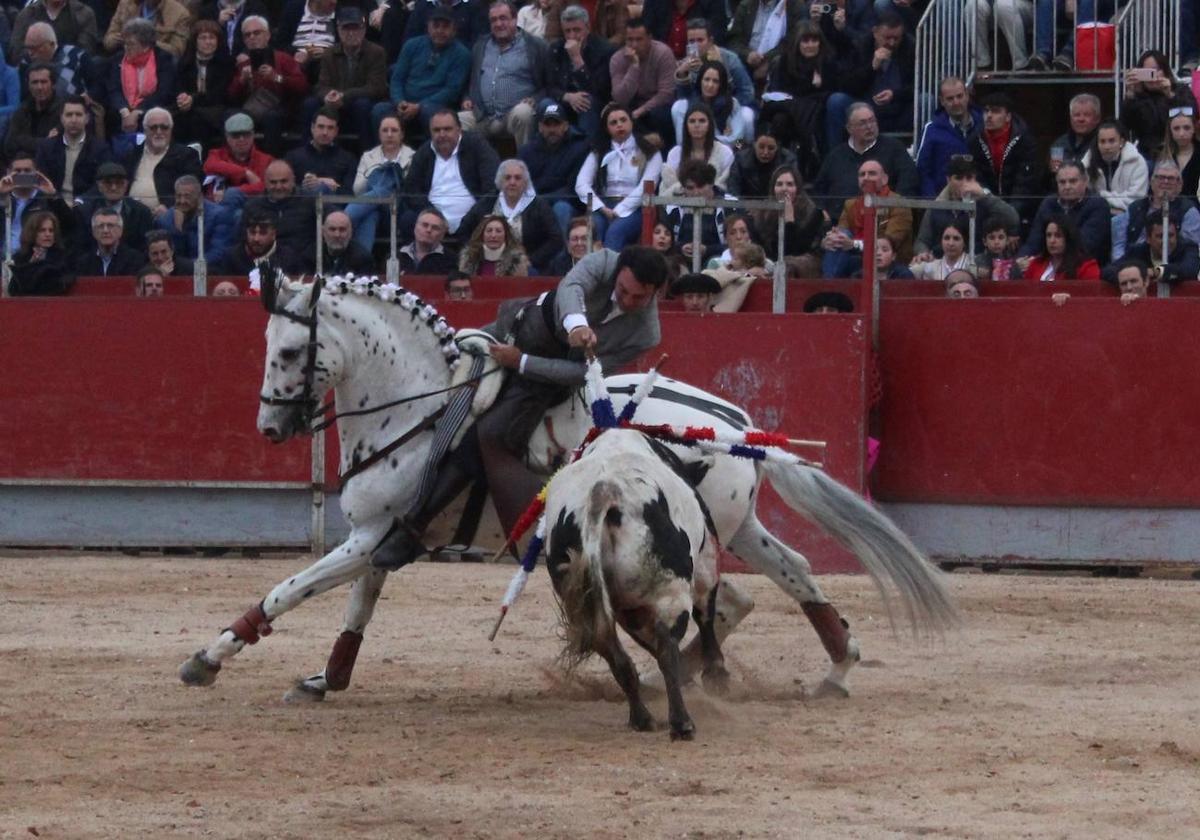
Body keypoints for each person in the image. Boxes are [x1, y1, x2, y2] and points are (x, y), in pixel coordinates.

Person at [370, 244, 669, 570]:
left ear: (655, 293)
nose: (627, 301)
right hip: (515, 328)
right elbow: (571, 287)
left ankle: (414, 528)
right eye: (623, 291)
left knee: (491, 433)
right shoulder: (605, 261)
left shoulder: (646, 333)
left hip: (543, 377)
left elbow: (582, 373)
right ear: (617, 275)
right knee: (443, 369)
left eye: (638, 298)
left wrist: (522, 362)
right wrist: (576, 324)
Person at [459, 0, 553, 148]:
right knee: (455, 121)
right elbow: (471, 80)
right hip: (482, 115)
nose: (498, 24)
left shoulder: (535, 46)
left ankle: (526, 165)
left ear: (515, 19)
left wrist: (536, 98)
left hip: (512, 116)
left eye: (503, 18)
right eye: (493, 20)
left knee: (523, 113)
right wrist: (467, 97)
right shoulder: (481, 45)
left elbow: (550, 84)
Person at [400, 108, 500, 240]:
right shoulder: (424, 153)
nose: (442, 134)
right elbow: (412, 190)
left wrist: (469, 219)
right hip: (433, 219)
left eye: (447, 129)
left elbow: (492, 188)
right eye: (436, 130)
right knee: (407, 220)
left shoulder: (477, 146)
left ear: (459, 130)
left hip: (472, 219)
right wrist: (434, 216)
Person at [576, 102, 663, 249]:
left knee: (615, 231)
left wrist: (620, 210)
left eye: (623, 120)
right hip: (604, 206)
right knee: (592, 231)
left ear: (631, 122)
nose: (619, 125)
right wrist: (601, 207)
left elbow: (647, 186)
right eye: (613, 122)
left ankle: (610, 272)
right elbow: (581, 184)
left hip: (636, 207)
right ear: (607, 128)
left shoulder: (649, 151)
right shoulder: (599, 151)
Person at [811, 101, 920, 218]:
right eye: (862, 123)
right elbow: (819, 190)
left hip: (882, 221)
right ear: (849, 128)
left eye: (872, 121)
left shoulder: (894, 149)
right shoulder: (835, 155)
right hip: (839, 222)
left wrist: (893, 209)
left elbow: (908, 183)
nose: (869, 127)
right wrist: (822, 209)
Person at [822, 11, 914, 147]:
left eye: (897, 38)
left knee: (926, 99)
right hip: (865, 107)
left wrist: (895, 94)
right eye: (887, 37)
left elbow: (918, 85)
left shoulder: (910, 47)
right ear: (875, 32)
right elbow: (846, 84)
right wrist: (872, 67)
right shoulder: (859, 46)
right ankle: (836, 156)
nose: (892, 43)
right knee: (836, 101)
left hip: (899, 109)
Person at [375, 7, 471, 137]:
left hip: (435, 105)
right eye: (436, 26)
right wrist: (399, 101)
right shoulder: (411, 45)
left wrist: (419, 106)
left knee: (432, 114)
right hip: (405, 102)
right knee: (380, 109)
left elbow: (451, 91)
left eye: (445, 27)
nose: (440, 31)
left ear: (454, 30)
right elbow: (397, 79)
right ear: (428, 27)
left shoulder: (462, 54)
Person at [459, 158, 563, 274]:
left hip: (526, 268)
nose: (512, 182)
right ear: (500, 181)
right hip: (488, 262)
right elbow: (463, 230)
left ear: (525, 182)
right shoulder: (488, 202)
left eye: (518, 178)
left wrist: (532, 259)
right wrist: (476, 254)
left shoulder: (538, 205)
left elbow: (556, 238)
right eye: (507, 178)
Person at [305, 6, 387, 150]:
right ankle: (307, 151)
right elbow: (321, 85)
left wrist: (344, 95)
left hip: (359, 105)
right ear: (338, 30)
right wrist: (327, 96)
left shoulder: (376, 52)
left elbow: (376, 87)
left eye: (355, 28)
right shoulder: (329, 54)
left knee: (362, 105)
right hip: (334, 106)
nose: (351, 33)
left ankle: (367, 153)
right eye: (346, 29)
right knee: (310, 104)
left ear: (363, 30)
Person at [760, 21, 836, 175]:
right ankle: (777, 167)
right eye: (805, 41)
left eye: (814, 41)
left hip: (816, 110)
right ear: (797, 43)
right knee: (780, 119)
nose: (810, 45)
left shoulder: (828, 62)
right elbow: (780, 93)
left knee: (811, 113)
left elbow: (832, 91)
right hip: (788, 109)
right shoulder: (784, 62)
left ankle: (810, 166)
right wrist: (812, 85)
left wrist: (819, 86)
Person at [228, 15, 308, 156]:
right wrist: (242, 80)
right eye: (247, 35)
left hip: (280, 109)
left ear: (268, 35)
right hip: (251, 109)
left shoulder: (283, 58)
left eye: (257, 33)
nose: (252, 37)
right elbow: (231, 95)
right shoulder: (242, 62)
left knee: (272, 118)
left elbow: (302, 86)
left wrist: (276, 77)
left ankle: (271, 162)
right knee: (232, 116)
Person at [912, 154, 1019, 258]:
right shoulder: (937, 205)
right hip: (940, 264)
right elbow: (922, 241)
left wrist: (984, 196)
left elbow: (1013, 219)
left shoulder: (985, 203)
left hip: (977, 262)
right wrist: (923, 253)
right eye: (958, 178)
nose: (964, 183)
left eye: (969, 178)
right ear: (948, 180)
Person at [822, 159, 912, 278]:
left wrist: (854, 244)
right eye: (862, 175)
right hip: (857, 258)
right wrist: (829, 240)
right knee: (839, 236)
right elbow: (842, 234)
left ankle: (828, 287)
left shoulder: (898, 203)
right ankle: (829, 286)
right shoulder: (850, 205)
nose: (866, 178)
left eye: (872, 174)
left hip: (889, 262)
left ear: (885, 179)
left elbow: (890, 243)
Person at [966, 91, 1042, 225]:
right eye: (986, 111)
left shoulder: (1025, 140)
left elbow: (1025, 184)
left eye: (995, 111)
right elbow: (978, 178)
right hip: (987, 209)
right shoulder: (975, 140)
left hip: (1021, 211)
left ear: (1008, 117)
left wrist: (1010, 217)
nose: (989, 116)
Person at [518, 101, 591, 235]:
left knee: (561, 208)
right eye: (547, 124)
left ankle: (563, 255)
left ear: (565, 126)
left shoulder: (580, 149)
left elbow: (572, 190)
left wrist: (542, 201)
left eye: (556, 124)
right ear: (540, 127)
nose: (552, 129)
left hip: (567, 204)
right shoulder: (526, 152)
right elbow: (523, 186)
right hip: (535, 205)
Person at [106, 21, 179, 154]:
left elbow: (163, 92)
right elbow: (113, 89)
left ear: (146, 46)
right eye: (125, 43)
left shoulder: (163, 60)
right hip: (123, 112)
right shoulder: (117, 59)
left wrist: (138, 111)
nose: (126, 48)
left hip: (151, 108)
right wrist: (125, 112)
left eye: (131, 44)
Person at [346, 114, 415, 252]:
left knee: (391, 175)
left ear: (402, 134)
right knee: (369, 216)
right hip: (374, 209)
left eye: (394, 130)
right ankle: (362, 262)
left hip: (398, 209)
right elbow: (357, 190)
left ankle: (346, 217)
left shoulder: (413, 156)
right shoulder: (368, 156)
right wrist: (377, 175)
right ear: (379, 134)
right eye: (385, 130)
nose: (389, 134)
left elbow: (410, 190)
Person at [547, 4, 615, 139]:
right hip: (564, 101)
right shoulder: (555, 49)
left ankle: (588, 149)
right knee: (546, 106)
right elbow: (549, 85)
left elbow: (600, 90)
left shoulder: (604, 50)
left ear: (588, 28)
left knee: (586, 101)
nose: (572, 35)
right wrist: (567, 96)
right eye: (567, 31)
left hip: (593, 103)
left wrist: (578, 60)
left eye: (577, 30)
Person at [1021, 160, 1112, 262]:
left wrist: (1042, 261)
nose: (1067, 187)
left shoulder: (1098, 205)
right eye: (1062, 182)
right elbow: (1034, 241)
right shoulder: (1049, 203)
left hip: (1084, 267)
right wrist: (1021, 261)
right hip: (1048, 264)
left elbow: (1085, 246)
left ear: (1085, 181)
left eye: (1073, 181)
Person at [1112, 160, 1200, 261]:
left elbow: (1190, 249)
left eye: (1171, 178)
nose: (1165, 181)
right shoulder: (1135, 207)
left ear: (1180, 185)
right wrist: (1123, 267)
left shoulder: (1189, 211)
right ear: (1151, 182)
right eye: (1161, 177)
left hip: (1170, 266)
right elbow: (1118, 245)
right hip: (1133, 264)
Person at [1120, 50, 1197, 162]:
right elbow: (1124, 126)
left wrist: (1170, 95)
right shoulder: (1137, 97)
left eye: (1157, 70)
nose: (1152, 76)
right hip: (1148, 152)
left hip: (1178, 149)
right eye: (1147, 72)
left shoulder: (1180, 90)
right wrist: (1131, 96)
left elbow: (1191, 114)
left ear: (1165, 71)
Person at [122, 108, 203, 214]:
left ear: (171, 129)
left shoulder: (186, 155)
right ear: (145, 130)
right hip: (131, 215)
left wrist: (169, 207)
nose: (159, 132)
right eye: (153, 128)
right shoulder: (132, 154)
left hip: (167, 215)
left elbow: (192, 188)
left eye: (164, 127)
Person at [608, 17, 676, 143]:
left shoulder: (663, 53)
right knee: (614, 116)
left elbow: (666, 93)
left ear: (649, 38)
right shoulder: (617, 59)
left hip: (657, 106)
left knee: (659, 115)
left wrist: (642, 110)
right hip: (631, 105)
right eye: (630, 40)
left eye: (639, 40)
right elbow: (620, 98)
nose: (634, 45)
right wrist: (634, 66)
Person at [35, 95, 110, 203]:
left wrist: (80, 201)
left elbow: (101, 183)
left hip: (86, 207)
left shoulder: (100, 149)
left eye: (78, 115)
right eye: (69, 115)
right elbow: (41, 179)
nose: (74, 120)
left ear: (87, 118)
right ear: (61, 118)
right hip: (53, 205)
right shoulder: (46, 147)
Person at [173, 19, 235, 150]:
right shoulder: (185, 63)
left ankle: (200, 159)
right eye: (203, 38)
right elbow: (179, 87)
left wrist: (192, 99)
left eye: (212, 38)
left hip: (215, 107)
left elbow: (220, 93)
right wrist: (182, 98)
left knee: (197, 119)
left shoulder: (226, 63)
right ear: (195, 41)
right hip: (189, 107)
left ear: (218, 41)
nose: (208, 42)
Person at [915, 76, 981, 198]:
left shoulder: (984, 125)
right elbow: (922, 170)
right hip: (943, 204)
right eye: (950, 99)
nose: (956, 102)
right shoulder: (931, 130)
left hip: (980, 201)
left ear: (967, 96)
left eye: (959, 96)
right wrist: (933, 204)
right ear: (942, 101)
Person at [72, 161, 155, 253]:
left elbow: (145, 248)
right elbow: (80, 247)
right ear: (99, 186)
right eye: (108, 183)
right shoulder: (85, 212)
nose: (113, 187)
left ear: (126, 185)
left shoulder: (141, 213)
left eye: (119, 183)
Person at [154, 174, 236, 265]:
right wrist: (178, 230)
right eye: (178, 196)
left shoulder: (219, 215)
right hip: (176, 271)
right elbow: (166, 254)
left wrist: (190, 266)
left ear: (200, 196)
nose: (182, 201)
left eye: (187, 196)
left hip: (209, 271)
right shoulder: (166, 219)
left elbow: (219, 253)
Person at [671, 58, 753, 147]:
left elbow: (738, 140)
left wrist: (726, 143)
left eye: (715, 81)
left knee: (747, 114)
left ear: (721, 84)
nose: (710, 85)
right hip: (694, 152)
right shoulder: (687, 105)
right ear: (700, 81)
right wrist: (723, 138)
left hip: (730, 151)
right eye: (706, 79)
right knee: (677, 106)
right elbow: (682, 142)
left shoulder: (732, 103)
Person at [661, 158, 726, 266]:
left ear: (711, 184)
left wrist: (708, 250)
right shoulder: (673, 209)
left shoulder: (730, 206)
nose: (696, 192)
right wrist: (681, 248)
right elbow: (664, 243)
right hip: (681, 262)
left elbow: (740, 245)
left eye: (700, 186)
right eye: (690, 188)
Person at [753, 164, 823, 262]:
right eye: (779, 184)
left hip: (798, 265)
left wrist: (789, 221)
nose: (784, 189)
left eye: (790, 184)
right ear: (773, 189)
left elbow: (794, 251)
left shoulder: (812, 214)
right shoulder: (762, 213)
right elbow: (765, 249)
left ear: (797, 188)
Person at [241, 160, 314, 254]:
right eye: (273, 182)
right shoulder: (252, 207)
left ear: (293, 181)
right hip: (263, 261)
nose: (278, 187)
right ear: (265, 183)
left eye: (283, 181)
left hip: (301, 263)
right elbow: (242, 241)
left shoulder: (310, 202)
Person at [660, 103, 734, 195]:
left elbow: (726, 186)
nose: (697, 125)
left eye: (702, 121)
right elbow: (667, 189)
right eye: (692, 121)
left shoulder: (725, 152)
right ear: (686, 125)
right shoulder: (675, 153)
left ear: (710, 125)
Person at [727, 0, 804, 84]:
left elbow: (793, 41)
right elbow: (734, 40)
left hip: (777, 62)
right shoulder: (746, 5)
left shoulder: (793, 7)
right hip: (745, 61)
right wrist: (747, 54)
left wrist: (767, 61)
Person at [285, 106, 358, 196]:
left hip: (336, 208)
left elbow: (350, 194)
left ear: (336, 131)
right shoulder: (293, 157)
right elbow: (284, 189)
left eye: (330, 128)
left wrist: (334, 187)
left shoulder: (348, 159)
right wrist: (304, 187)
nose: (325, 132)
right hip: (302, 207)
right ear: (312, 128)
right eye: (321, 127)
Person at [1081, 120, 1149, 216]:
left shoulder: (1137, 162)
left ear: (1121, 142)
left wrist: (1102, 196)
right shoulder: (1087, 163)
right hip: (1095, 214)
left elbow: (1136, 200)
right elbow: (1082, 196)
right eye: (1102, 141)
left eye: (1111, 141)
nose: (1107, 146)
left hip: (1129, 216)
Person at [203, 112, 274, 201]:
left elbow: (265, 188)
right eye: (236, 135)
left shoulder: (267, 160)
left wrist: (231, 193)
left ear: (253, 135)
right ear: (227, 137)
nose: (241, 139)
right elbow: (209, 166)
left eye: (246, 134)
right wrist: (244, 173)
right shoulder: (216, 154)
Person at [1110, 217, 1200, 286]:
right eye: (1160, 236)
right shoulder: (1137, 251)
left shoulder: (1188, 248)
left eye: (1171, 235)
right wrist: (1138, 274)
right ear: (1148, 239)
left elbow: (1189, 271)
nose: (1166, 241)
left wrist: (1156, 272)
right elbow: (1108, 271)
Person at [16, 22, 93, 101]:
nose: (30, 53)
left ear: (51, 44)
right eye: (28, 48)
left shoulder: (77, 56)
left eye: (35, 48)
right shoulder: (25, 63)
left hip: (74, 109)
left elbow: (96, 86)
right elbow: (22, 97)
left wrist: (87, 96)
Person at [217, 206, 304, 275]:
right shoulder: (231, 257)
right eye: (252, 232)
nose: (256, 238)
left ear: (273, 234)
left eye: (263, 233)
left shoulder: (289, 259)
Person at [9, 0, 99, 65]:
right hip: (33, 71)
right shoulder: (27, 14)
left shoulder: (84, 13)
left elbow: (85, 51)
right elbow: (16, 52)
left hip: (71, 71)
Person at [7, 210, 74, 295]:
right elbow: (13, 291)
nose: (48, 234)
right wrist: (31, 264)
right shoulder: (21, 257)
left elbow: (60, 285)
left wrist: (41, 265)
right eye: (42, 230)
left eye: (51, 230)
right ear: (32, 233)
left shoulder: (63, 256)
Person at [1016, 215, 1101, 281]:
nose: (1052, 241)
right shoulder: (1036, 264)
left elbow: (1089, 298)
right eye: (1048, 235)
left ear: (1069, 238)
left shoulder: (1087, 267)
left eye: (1058, 236)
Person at [4, 62, 61, 158]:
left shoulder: (64, 109)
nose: (39, 87)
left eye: (43, 82)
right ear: (28, 85)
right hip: (23, 165)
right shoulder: (22, 110)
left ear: (52, 83)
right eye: (34, 82)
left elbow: (55, 147)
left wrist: (22, 140)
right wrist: (43, 142)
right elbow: (9, 145)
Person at [274, 0, 336, 87]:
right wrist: (295, 53)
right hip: (294, 63)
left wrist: (327, 53)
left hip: (325, 64)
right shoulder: (294, 8)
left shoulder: (339, 13)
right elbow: (280, 43)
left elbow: (345, 45)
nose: (335, 2)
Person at [103, 0, 192, 57]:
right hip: (125, 54)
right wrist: (120, 39)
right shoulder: (125, 4)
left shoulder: (180, 14)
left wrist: (147, 43)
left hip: (157, 60)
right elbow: (108, 41)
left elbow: (176, 51)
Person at [299, 210, 376, 275]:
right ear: (323, 232)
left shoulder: (363, 258)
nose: (337, 235)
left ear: (350, 232)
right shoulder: (310, 255)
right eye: (332, 229)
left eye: (342, 230)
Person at [727, 127, 797, 198]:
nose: (765, 152)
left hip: (778, 206)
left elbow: (793, 190)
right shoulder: (741, 159)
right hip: (746, 206)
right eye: (761, 147)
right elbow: (733, 189)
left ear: (777, 147)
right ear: (754, 144)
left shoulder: (788, 160)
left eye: (771, 148)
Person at [75, 207, 146, 275]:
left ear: (120, 230)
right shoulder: (83, 263)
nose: (105, 230)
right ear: (93, 232)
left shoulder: (136, 260)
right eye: (100, 226)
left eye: (110, 225)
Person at [1047, 93, 1102, 179]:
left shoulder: (1103, 143)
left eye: (1086, 115)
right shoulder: (1059, 145)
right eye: (1077, 115)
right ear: (1070, 117)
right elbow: (1047, 184)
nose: (1081, 119)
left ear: (1097, 118)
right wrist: (1050, 170)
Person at [457, 213, 530, 275]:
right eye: (489, 231)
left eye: (498, 231)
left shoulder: (517, 261)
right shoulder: (469, 258)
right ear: (482, 234)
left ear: (506, 235)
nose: (493, 235)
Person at [967, 0, 1032, 70]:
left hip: (1023, 5)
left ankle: (1021, 65)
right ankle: (982, 64)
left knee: (1004, 5)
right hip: (992, 5)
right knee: (974, 5)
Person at [398, 207, 456, 274]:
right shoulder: (396, 256)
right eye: (425, 225)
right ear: (415, 227)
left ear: (442, 234)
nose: (429, 230)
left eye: (435, 228)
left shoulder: (451, 260)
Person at [909, 222, 973, 280]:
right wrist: (916, 262)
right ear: (941, 241)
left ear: (964, 243)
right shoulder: (931, 266)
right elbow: (906, 273)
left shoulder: (973, 264)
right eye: (947, 238)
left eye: (956, 239)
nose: (951, 243)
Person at [1163, 107, 1199, 197]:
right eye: (1176, 128)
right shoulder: (1161, 156)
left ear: (1194, 129)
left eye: (1186, 128)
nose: (1181, 133)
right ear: (1170, 131)